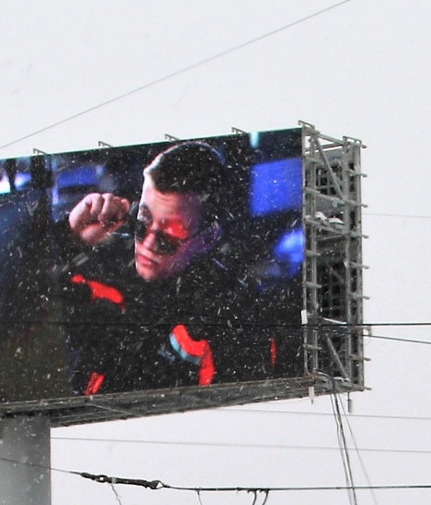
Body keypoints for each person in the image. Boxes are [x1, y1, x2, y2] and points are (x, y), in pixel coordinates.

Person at [60, 141, 279, 395]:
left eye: (169, 237)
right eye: (142, 222)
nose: (148, 244)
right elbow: (30, 307)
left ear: (207, 239)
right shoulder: (102, 260)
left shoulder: (232, 323)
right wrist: (68, 236)